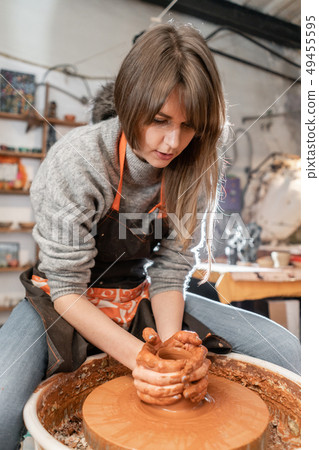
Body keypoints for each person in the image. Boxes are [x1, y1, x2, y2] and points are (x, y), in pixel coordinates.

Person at [0, 23, 300, 449]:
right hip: (62, 300)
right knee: (1, 401)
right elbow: (67, 287)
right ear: (129, 103)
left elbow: (171, 270)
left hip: (139, 293)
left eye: (189, 124)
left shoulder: (199, 162)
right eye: (159, 120)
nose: (173, 141)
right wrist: (143, 360)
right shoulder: (79, 161)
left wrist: (172, 344)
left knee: (290, 355)